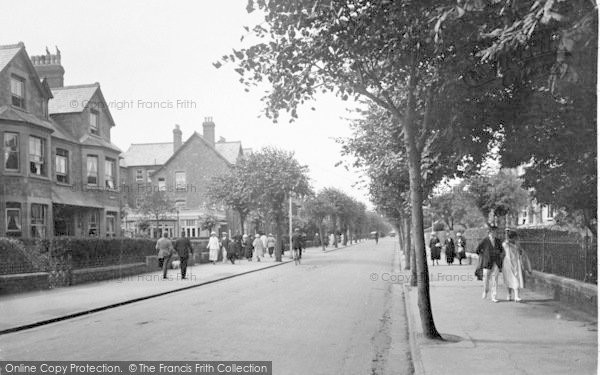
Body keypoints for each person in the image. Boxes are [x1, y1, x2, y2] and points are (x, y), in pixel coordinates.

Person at [475, 224, 505, 302]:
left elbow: (501, 250)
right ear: (490, 232)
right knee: (486, 279)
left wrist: (499, 255)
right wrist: (484, 255)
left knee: (495, 279)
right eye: (493, 232)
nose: (495, 233)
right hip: (487, 262)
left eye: (496, 232)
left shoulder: (498, 241)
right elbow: (478, 250)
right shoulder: (485, 240)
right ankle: (485, 290)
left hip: (496, 262)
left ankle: (494, 296)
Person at [503, 229, 527, 302]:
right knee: (508, 278)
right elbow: (506, 243)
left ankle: (516, 296)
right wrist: (507, 235)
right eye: (515, 237)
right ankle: (509, 295)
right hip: (507, 262)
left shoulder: (516, 244)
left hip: (515, 262)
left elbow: (520, 251)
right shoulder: (506, 244)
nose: (516, 238)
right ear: (512, 237)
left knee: (516, 278)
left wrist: (517, 246)